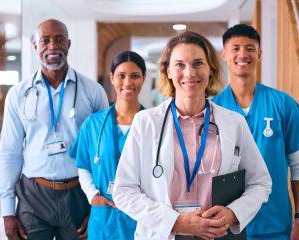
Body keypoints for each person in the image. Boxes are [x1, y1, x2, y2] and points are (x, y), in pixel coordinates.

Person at [113, 30, 272, 240]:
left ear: (211, 69)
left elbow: (260, 182)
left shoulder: (234, 123)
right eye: (180, 65)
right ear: (168, 71)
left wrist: (234, 213)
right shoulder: (146, 122)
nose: (189, 73)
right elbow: (124, 191)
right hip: (163, 234)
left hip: (215, 234)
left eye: (198, 63)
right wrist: (176, 222)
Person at [0, 19, 108, 240]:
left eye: (59, 40)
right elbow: (9, 153)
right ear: (35, 46)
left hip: (79, 194)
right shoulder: (19, 94)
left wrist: (98, 205)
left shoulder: (93, 92)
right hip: (33, 196)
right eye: (45, 41)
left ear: (68, 44)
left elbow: (104, 153)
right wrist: (7, 211)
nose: (52, 46)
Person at [212, 24, 299, 240]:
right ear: (224, 54)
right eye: (236, 48)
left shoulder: (284, 104)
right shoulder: (212, 109)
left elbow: (297, 165)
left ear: (259, 54)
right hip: (225, 225)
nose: (243, 54)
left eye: (250, 48)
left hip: (274, 223)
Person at [70, 51, 146, 239]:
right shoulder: (93, 124)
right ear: (112, 78)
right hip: (104, 218)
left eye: (135, 76)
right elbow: (83, 165)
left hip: (142, 216)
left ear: (144, 78)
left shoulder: (153, 123)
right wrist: (92, 195)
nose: (128, 83)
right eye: (121, 76)